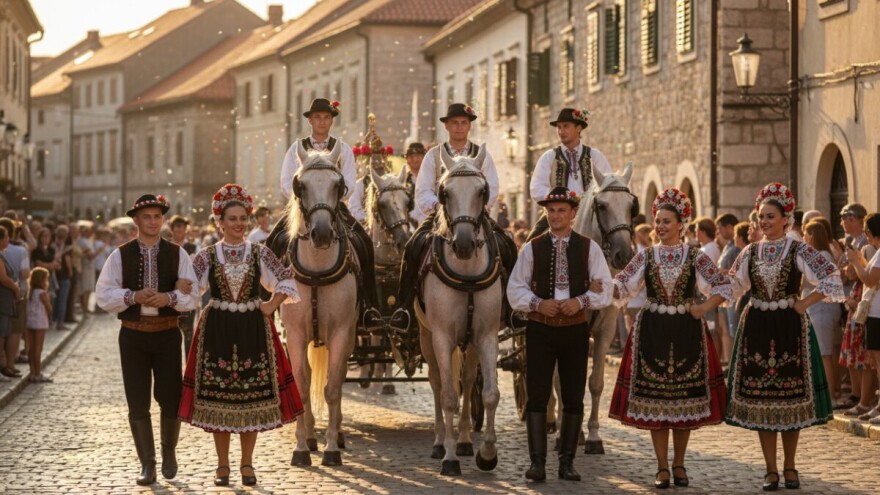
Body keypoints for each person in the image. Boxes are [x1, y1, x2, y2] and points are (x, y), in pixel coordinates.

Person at [177, 184, 303, 487]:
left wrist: (270, 304)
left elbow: (286, 279)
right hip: (217, 329)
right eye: (231, 219)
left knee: (252, 399)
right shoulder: (207, 255)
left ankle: (247, 464)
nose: (238, 224)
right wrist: (180, 288)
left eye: (242, 218)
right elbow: (191, 288)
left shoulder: (260, 252)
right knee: (218, 400)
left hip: (252, 329)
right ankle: (222, 466)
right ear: (219, 222)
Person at [609, 188, 731, 489]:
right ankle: (662, 465)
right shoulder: (645, 256)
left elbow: (723, 287)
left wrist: (702, 307)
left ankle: (679, 463)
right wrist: (601, 281)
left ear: (681, 224)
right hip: (653, 331)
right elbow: (622, 286)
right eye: (658, 221)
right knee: (657, 401)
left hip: (687, 331)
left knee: (683, 401)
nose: (660, 226)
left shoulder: (695, 257)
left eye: (666, 221)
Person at [726, 183, 844, 491]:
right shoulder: (750, 251)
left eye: (770, 216)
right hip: (757, 326)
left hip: (790, 328)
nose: (763, 221)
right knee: (764, 402)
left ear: (785, 219)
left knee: (790, 400)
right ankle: (770, 470)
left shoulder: (798, 249)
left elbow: (831, 277)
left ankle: (790, 466)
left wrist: (805, 301)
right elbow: (731, 286)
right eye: (760, 216)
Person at [507, 186, 613, 482]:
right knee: (537, 396)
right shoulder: (532, 247)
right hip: (540, 329)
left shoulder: (588, 247)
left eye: (561, 210)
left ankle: (567, 462)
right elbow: (515, 288)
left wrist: (578, 301)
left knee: (573, 397)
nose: (556, 216)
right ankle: (537, 463)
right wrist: (539, 303)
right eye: (551, 210)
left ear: (573, 213)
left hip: (575, 330)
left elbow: (605, 288)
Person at [96, 194, 198, 485]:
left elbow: (193, 296)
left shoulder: (178, 253)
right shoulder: (121, 254)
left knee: (171, 397)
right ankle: (147, 464)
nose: (153, 221)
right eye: (147, 217)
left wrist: (169, 296)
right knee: (137, 400)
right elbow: (103, 294)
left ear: (162, 220)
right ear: (136, 220)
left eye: (157, 216)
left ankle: (169, 453)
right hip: (133, 335)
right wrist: (132, 296)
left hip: (167, 333)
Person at [395, 103, 517, 329]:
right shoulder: (433, 155)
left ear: (469, 126)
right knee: (413, 247)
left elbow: (492, 187)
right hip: (442, 215)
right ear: (447, 126)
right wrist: (441, 210)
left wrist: (477, 211)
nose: (459, 127)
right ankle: (404, 307)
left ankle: (511, 308)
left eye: (463, 123)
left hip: (475, 215)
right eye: (455, 123)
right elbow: (422, 191)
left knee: (508, 246)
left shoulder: (482, 154)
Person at [271, 97, 380, 327]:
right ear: (310, 120)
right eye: (318, 117)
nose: (322, 121)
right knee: (273, 242)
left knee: (364, 242)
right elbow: (285, 181)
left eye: (326, 117)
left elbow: (349, 181)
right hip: (302, 207)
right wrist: (304, 196)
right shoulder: (296, 148)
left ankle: (371, 304)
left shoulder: (342, 148)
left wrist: (331, 197)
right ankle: (266, 306)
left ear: (331, 121)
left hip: (334, 207)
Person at [527, 108, 612, 240]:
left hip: (590, 216)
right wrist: (558, 201)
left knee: (615, 240)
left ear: (579, 128)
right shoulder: (549, 157)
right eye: (559, 127)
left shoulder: (595, 156)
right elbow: (537, 187)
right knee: (530, 243)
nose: (561, 131)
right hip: (557, 216)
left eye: (566, 126)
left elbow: (607, 186)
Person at [844, 212, 880, 424]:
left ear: (869, 232)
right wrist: (859, 259)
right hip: (874, 312)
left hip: (877, 313)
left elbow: (869, 279)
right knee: (875, 362)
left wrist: (854, 262)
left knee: (878, 361)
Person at [802, 220, 843, 401]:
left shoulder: (821, 255)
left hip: (822, 309)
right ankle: (833, 391)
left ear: (811, 236)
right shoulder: (822, 254)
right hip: (821, 309)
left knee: (825, 354)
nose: (804, 238)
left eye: (805, 234)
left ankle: (829, 396)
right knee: (828, 353)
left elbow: (818, 282)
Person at [168, 215, 198, 357]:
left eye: (183, 227)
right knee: (169, 335)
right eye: (177, 226)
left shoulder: (193, 247)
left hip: (186, 294)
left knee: (188, 333)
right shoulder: (166, 247)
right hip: (168, 295)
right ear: (171, 229)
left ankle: (188, 372)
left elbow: (197, 272)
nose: (180, 230)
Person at [0, 226, 21, 380]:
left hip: (6, 301)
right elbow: (3, 278)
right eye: (6, 236)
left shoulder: (3, 255)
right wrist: (15, 288)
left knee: (4, 334)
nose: (8, 239)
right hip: (2, 300)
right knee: (0, 335)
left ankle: (3, 366)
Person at [26, 267, 52, 383]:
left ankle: (32, 372)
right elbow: (48, 308)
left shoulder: (30, 292)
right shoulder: (42, 293)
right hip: (40, 322)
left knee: (31, 348)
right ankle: (37, 373)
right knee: (38, 349)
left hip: (30, 322)